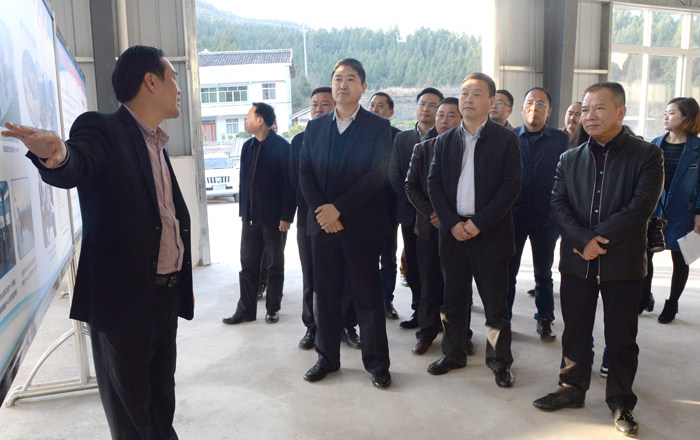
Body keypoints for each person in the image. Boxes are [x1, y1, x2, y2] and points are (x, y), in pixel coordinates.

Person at [2, 45, 194, 439]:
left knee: (161, 401)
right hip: (125, 304)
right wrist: (58, 156)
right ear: (151, 82)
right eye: (173, 78)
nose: (178, 88)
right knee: (132, 416)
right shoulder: (102, 129)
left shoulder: (156, 142)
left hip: (165, 296)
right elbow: (79, 161)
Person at [533, 82, 663, 438]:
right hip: (578, 261)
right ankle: (571, 389)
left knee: (621, 337)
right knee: (575, 331)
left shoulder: (647, 155)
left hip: (623, 263)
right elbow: (558, 204)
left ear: (621, 112)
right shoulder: (569, 157)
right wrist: (581, 240)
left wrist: (594, 239)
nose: (589, 116)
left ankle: (621, 401)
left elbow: (641, 207)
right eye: (585, 109)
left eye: (599, 108)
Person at [299, 58, 393, 388]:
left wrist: (337, 210)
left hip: (361, 228)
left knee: (367, 298)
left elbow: (376, 175)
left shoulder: (377, 127)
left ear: (363, 87)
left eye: (351, 79)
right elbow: (305, 172)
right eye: (338, 78)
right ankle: (326, 359)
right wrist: (323, 212)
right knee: (325, 296)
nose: (343, 84)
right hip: (322, 228)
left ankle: (377, 364)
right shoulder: (315, 128)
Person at [426, 72, 521, 388]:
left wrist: (478, 223)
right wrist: (452, 223)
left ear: (491, 102)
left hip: (490, 234)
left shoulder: (506, 140)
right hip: (453, 235)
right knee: (453, 301)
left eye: (477, 93)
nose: (468, 99)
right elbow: (434, 184)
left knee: (495, 305)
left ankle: (500, 362)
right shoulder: (444, 140)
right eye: (464, 93)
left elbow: (511, 187)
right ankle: (453, 354)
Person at [290, 87, 360, 349]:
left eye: (324, 104)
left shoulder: (350, 135)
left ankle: (347, 325)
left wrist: (337, 210)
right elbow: (298, 180)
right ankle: (312, 326)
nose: (318, 109)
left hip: (346, 217)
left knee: (348, 277)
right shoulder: (301, 139)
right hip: (311, 219)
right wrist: (323, 213)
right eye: (314, 104)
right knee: (312, 277)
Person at [222, 102, 295, 325]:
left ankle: (273, 309)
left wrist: (286, 216)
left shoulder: (282, 147)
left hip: (274, 220)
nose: (245, 121)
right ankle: (246, 310)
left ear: (260, 121)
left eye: (248, 117)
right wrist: (243, 212)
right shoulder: (248, 147)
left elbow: (290, 185)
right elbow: (244, 182)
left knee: (274, 265)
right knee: (248, 265)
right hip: (250, 219)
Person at [508, 87, 569, 341]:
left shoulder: (560, 139)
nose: (535, 108)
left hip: (546, 217)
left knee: (543, 273)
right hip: (513, 217)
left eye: (541, 103)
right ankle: (503, 318)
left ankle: (545, 319)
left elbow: (566, 178)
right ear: (522, 109)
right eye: (530, 103)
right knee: (508, 272)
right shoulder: (509, 137)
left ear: (549, 111)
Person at [404, 97, 463, 355]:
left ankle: (460, 335)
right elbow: (410, 186)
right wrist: (432, 212)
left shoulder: (469, 149)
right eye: (441, 115)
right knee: (428, 284)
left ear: (461, 119)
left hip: (460, 229)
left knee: (457, 286)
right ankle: (426, 332)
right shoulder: (422, 149)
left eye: (451, 115)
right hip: (428, 228)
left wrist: (449, 217)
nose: (444, 120)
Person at [389, 87, 443, 329]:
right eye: (422, 104)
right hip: (411, 215)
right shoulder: (402, 139)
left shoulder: (445, 138)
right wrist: (419, 205)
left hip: (441, 217)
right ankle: (418, 311)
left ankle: (441, 314)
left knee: (438, 268)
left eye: (433, 105)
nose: (426, 109)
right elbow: (395, 176)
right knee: (413, 266)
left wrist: (436, 210)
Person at [645, 97, 700, 323]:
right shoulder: (655, 144)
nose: (665, 117)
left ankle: (672, 303)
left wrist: (699, 213)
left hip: (683, 211)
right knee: (645, 254)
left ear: (686, 117)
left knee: (680, 258)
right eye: (665, 112)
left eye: (671, 113)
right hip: (653, 209)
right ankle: (644, 295)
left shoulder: (697, 148)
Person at [369, 92, 402, 320]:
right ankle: (367, 301)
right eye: (372, 105)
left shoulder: (398, 137)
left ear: (390, 112)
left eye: (380, 106)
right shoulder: (360, 134)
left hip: (389, 208)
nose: (374, 109)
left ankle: (386, 300)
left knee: (388, 258)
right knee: (364, 259)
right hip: (361, 208)